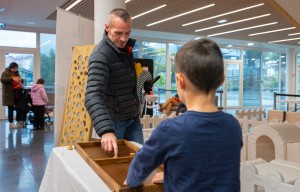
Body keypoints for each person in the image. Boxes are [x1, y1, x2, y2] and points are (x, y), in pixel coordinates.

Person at [125, 39, 243, 191]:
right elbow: (207, 167)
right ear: (222, 80)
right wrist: (170, 175)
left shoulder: (171, 129)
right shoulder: (232, 125)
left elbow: (141, 165)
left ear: (180, 81)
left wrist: (130, 182)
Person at [85, 8, 143, 157]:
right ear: (107, 28)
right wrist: (106, 130)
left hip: (132, 118)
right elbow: (93, 95)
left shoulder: (126, 50)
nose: (124, 38)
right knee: (114, 169)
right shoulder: (101, 55)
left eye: (127, 33)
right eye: (118, 33)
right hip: (114, 123)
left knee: (140, 162)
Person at [1, 62, 24, 128]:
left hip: (17, 93)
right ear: (10, 67)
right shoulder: (5, 72)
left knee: (18, 107)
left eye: (16, 68)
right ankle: (11, 122)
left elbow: (18, 81)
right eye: (14, 68)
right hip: (9, 94)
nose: (15, 70)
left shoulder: (17, 73)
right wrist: (12, 78)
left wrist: (20, 80)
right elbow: (2, 79)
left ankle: (18, 121)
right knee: (10, 108)